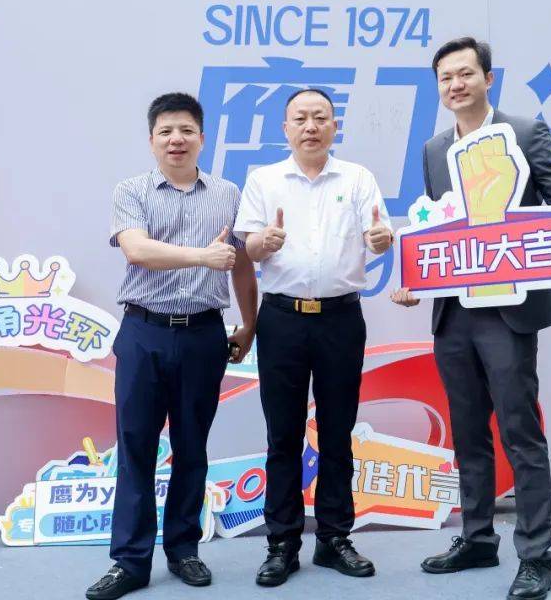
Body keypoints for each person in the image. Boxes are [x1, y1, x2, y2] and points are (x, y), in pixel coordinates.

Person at [391, 38, 551, 600]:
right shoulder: (434, 148)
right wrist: (417, 277)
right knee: (468, 432)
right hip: (454, 314)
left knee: (520, 432)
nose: (455, 85)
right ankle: (477, 538)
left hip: (509, 312)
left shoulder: (524, 131)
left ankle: (536, 556)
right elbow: (438, 225)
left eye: (465, 74)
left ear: (488, 79)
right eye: (445, 78)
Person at [87, 92, 258, 600]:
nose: (175, 139)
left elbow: (242, 265)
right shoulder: (132, 191)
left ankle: (184, 550)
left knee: (192, 447)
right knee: (136, 447)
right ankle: (130, 561)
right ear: (152, 140)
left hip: (204, 334)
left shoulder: (229, 193)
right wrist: (204, 257)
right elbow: (137, 249)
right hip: (144, 331)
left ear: (202, 138)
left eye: (185, 130)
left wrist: (250, 325)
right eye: (165, 131)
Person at [234, 88, 393, 586]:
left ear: (333, 126)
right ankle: (282, 542)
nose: (310, 126)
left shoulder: (358, 178)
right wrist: (263, 242)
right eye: (300, 118)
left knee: (338, 432)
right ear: (285, 129)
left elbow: (380, 235)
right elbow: (247, 247)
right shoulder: (264, 180)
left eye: (320, 117)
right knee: (282, 434)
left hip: (340, 320)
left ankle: (334, 538)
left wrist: (381, 239)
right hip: (281, 319)